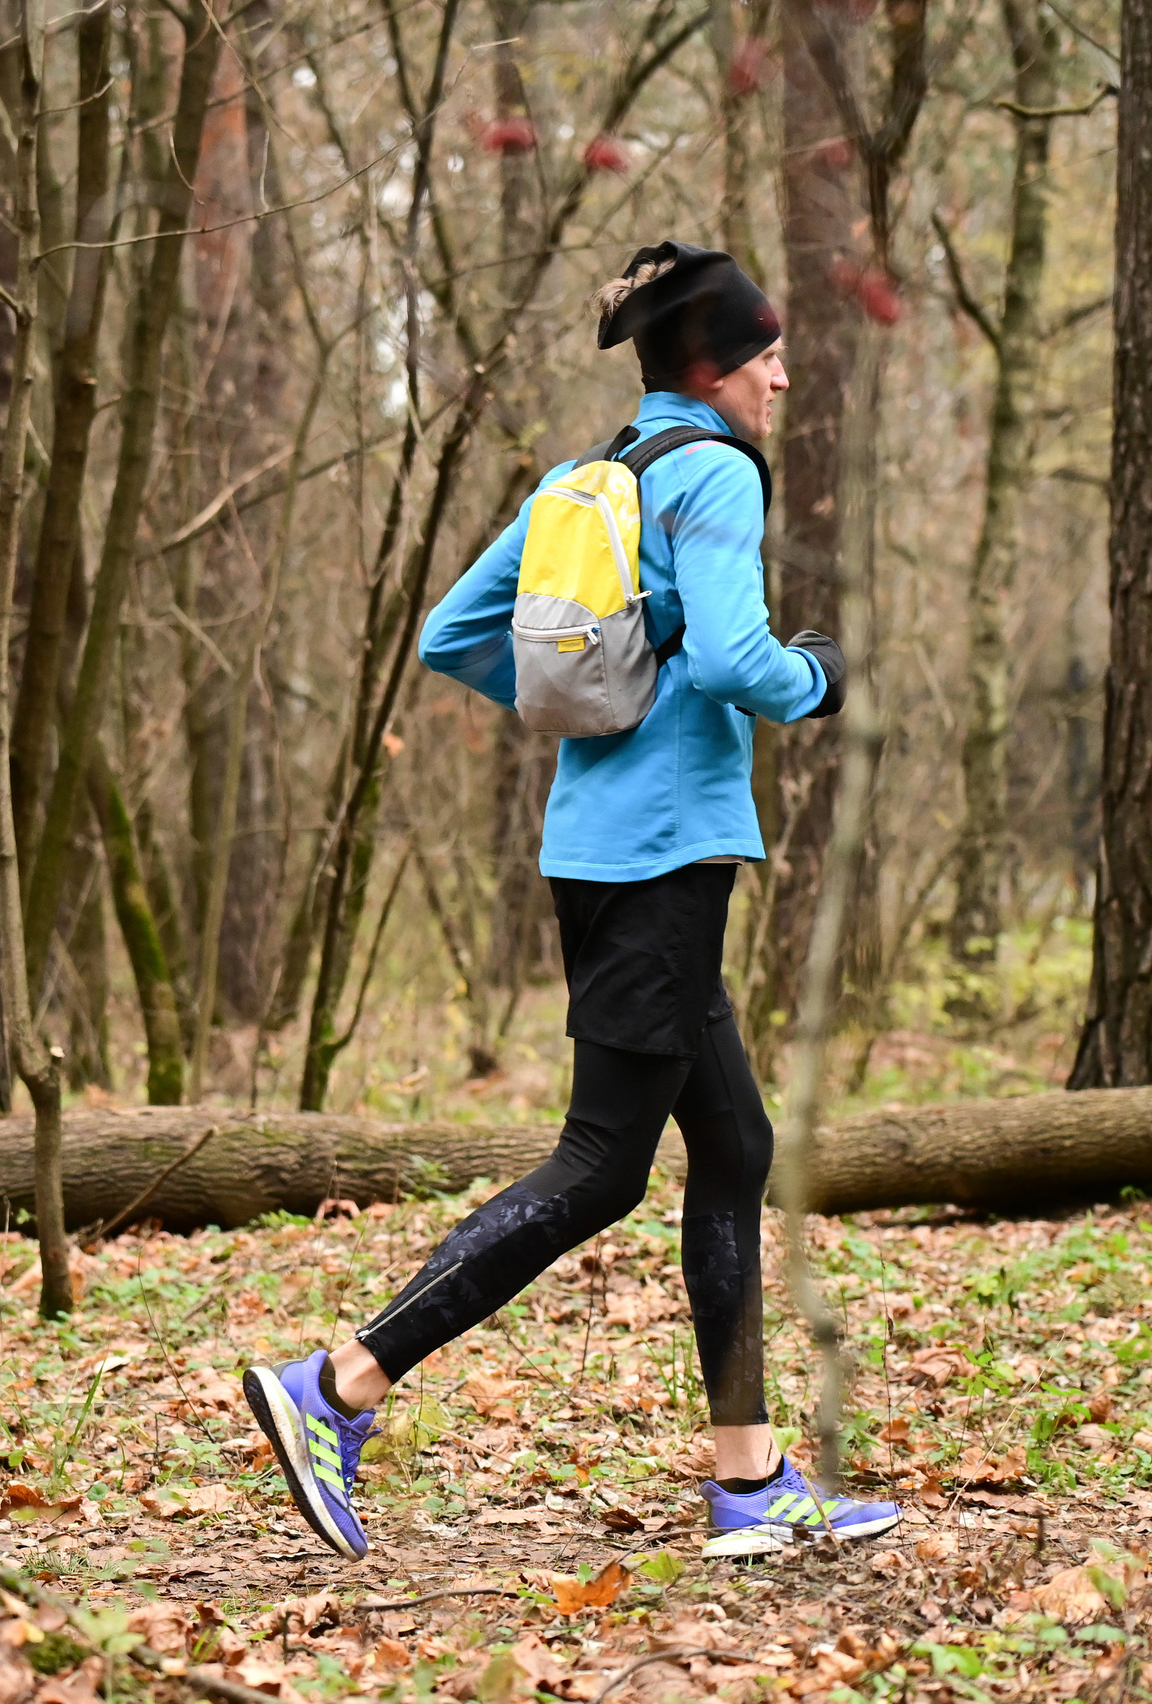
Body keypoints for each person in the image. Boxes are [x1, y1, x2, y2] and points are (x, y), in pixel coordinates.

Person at [243, 241, 899, 1561]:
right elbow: (733, 658)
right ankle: (339, 1384)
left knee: (734, 1150)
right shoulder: (711, 473)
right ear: (713, 367)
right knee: (601, 1168)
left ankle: (750, 1481)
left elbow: (451, 638)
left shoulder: (581, 481)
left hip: (603, 851)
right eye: (767, 350)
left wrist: (589, 710)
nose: (783, 371)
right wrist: (819, 679)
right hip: (662, 859)